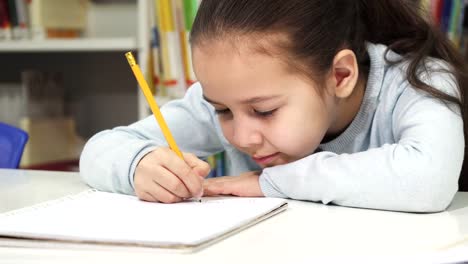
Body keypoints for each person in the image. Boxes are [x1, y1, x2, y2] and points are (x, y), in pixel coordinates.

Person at [80, 0, 468, 212]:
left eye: (264, 111)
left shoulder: (419, 80)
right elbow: (98, 151)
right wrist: (140, 165)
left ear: (340, 76)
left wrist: (270, 184)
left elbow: (428, 180)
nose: (243, 136)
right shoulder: (231, 95)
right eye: (223, 111)